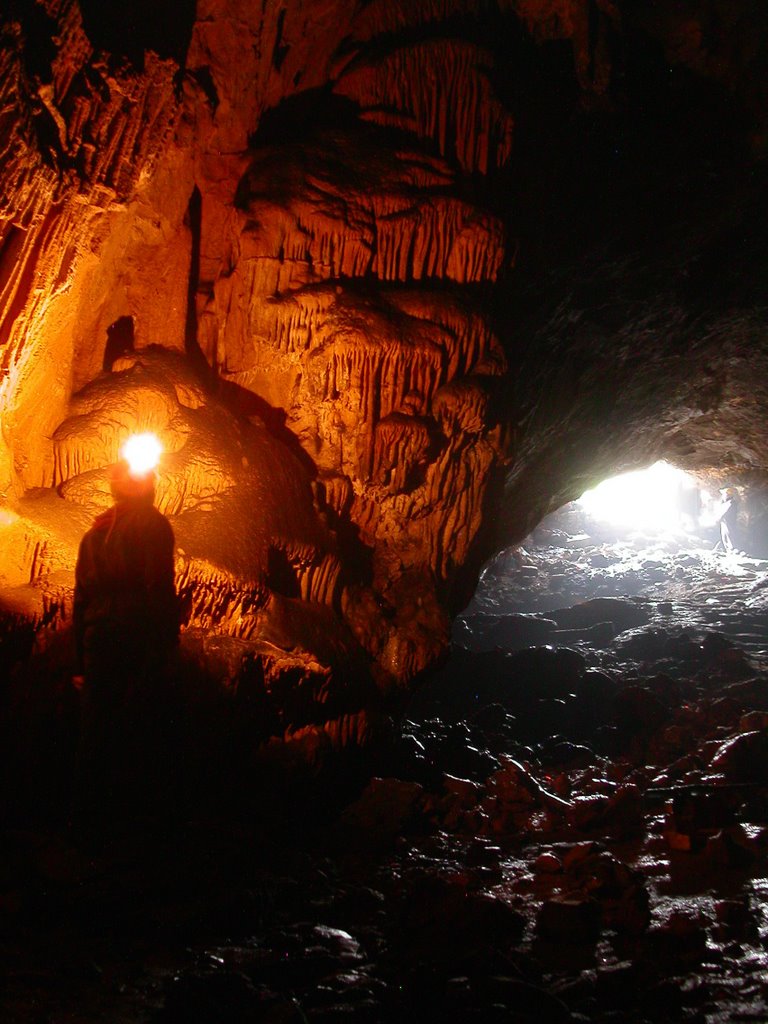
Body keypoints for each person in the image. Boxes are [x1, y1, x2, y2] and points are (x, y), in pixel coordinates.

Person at [72, 459, 179, 830]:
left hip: (97, 639)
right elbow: (158, 586)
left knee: (96, 730)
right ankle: (133, 827)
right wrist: (167, 643)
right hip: (137, 635)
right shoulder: (152, 524)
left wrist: (78, 664)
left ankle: (86, 824)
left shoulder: (93, 535)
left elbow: (80, 600)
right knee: (139, 726)